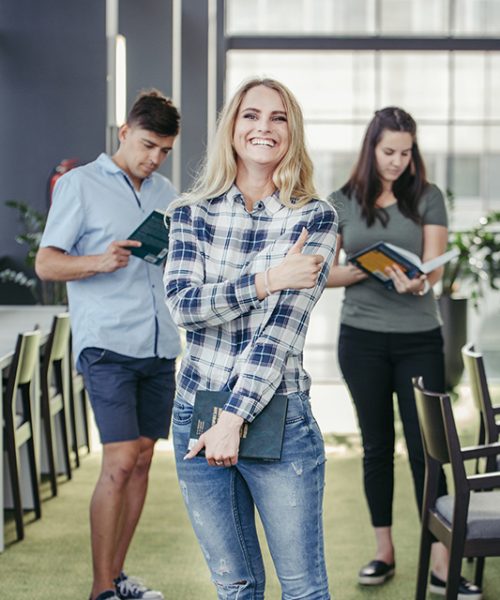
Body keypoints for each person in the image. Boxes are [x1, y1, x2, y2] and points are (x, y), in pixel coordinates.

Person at [164, 77, 336, 600]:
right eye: (251, 116)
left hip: (277, 417)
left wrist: (232, 421)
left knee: (303, 590)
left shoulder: (314, 217)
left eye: (278, 118)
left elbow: (279, 334)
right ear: (232, 129)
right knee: (235, 586)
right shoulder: (189, 213)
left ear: (292, 132)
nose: (264, 127)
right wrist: (266, 281)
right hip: (196, 413)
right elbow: (184, 307)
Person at [327, 107, 481, 599]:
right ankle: (384, 551)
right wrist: (364, 269)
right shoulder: (342, 201)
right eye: (389, 151)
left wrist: (419, 282)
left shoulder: (428, 197)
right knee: (376, 446)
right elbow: (323, 272)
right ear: (371, 148)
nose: (397, 161)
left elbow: (432, 269)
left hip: (418, 336)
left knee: (428, 450)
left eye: (406, 152)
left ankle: (441, 562)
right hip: (362, 337)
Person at [35, 90, 181, 600]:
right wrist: (99, 260)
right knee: (118, 459)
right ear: (124, 132)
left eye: (164, 150)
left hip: (160, 343)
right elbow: (47, 263)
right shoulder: (79, 185)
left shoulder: (167, 192)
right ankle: (101, 591)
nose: (154, 158)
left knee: (142, 459)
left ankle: (117, 579)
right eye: (147, 145)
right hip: (107, 343)